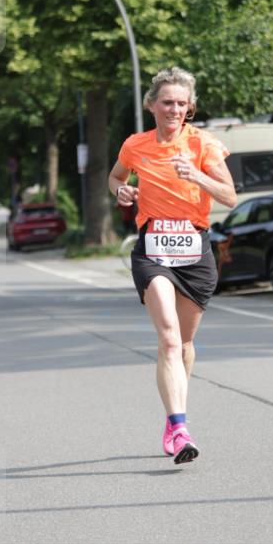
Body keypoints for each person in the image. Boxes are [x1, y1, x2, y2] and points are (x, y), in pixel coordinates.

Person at [109, 67, 237, 464]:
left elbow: (230, 196)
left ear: (191, 107)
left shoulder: (204, 145)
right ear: (152, 105)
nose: (175, 109)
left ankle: (172, 420)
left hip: (194, 251)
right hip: (153, 250)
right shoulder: (136, 145)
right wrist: (123, 191)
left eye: (182, 104)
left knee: (183, 344)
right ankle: (181, 428)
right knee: (167, 337)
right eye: (167, 102)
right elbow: (114, 178)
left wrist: (196, 175)